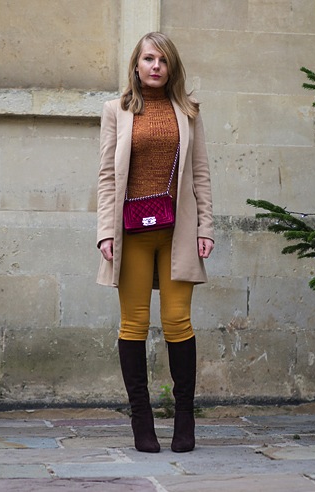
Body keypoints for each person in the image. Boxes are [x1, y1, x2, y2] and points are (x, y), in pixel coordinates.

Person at [96, 32, 214, 453]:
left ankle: (185, 421)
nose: (156, 66)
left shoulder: (188, 112)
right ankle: (141, 422)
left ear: (172, 67)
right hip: (132, 237)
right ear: (137, 64)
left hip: (177, 233)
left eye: (163, 60)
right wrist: (105, 233)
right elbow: (108, 178)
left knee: (178, 322)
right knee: (134, 325)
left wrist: (206, 229)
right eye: (149, 59)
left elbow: (200, 175)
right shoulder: (117, 111)